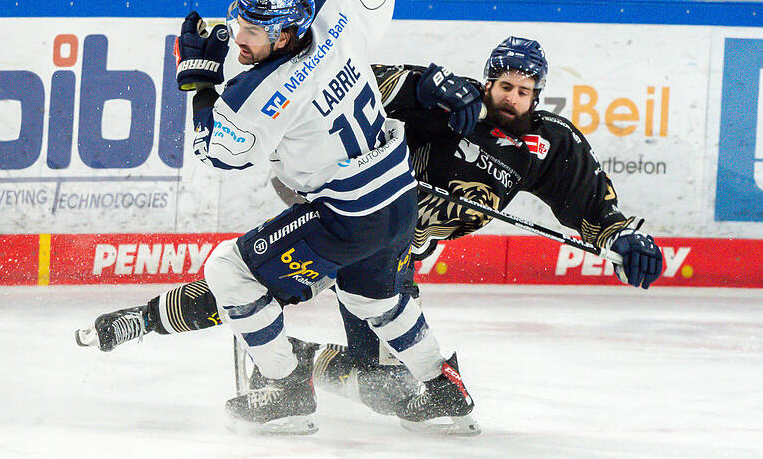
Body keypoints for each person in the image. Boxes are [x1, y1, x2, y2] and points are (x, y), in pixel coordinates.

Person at [78, 37, 663, 429]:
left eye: (524, 91)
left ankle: (303, 362)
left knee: (384, 386)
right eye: (503, 86)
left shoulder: (549, 144)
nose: (512, 99)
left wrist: (619, 238)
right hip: (349, 204)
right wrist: (424, 89)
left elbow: (590, 208)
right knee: (256, 281)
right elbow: (343, 84)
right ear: (487, 81)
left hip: (397, 243)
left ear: (537, 94)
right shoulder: (452, 100)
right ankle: (153, 320)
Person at [158, 0, 472, 435]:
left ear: (285, 37)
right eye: (240, 20)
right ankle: (442, 387)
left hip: (349, 212)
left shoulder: (259, 91)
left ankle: (285, 389)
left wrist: (197, 81)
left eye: (254, 32)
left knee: (228, 270)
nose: (239, 37)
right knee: (376, 301)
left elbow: (217, 153)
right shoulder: (336, 8)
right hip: (397, 194)